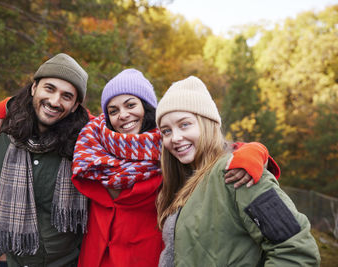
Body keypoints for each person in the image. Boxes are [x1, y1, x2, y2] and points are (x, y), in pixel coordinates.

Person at [70, 69, 279, 267]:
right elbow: (63, 117)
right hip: (94, 258)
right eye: (113, 110)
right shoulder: (92, 147)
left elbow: (218, 152)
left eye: (131, 105)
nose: (122, 115)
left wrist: (255, 151)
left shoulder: (169, 149)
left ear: (146, 107)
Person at [155, 76, 321, 266]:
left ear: (208, 123)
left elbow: (297, 251)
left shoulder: (239, 174)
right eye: (166, 131)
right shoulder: (182, 182)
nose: (175, 137)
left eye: (184, 124)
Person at [0, 53, 90, 267]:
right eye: (49, 88)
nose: (54, 101)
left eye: (66, 96)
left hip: (67, 261)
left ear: (76, 105)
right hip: (11, 261)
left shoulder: (87, 143)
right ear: (34, 88)